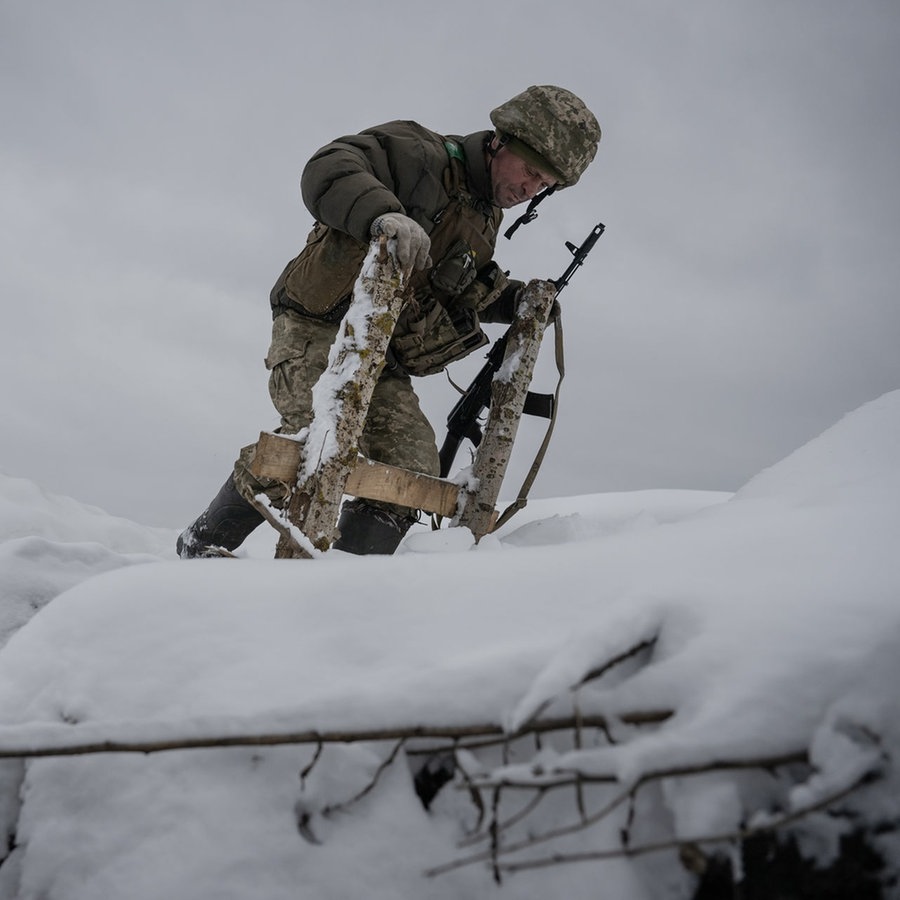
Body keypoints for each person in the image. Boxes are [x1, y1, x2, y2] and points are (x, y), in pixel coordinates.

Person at [177, 85, 601, 558]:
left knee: (415, 468)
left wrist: (520, 303)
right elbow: (329, 167)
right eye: (529, 171)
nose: (529, 189)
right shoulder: (419, 153)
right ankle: (201, 548)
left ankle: (348, 581)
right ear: (502, 142)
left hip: (383, 358)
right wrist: (383, 215)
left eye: (543, 184)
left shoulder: (483, 222)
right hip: (318, 327)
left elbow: (460, 290)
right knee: (313, 439)